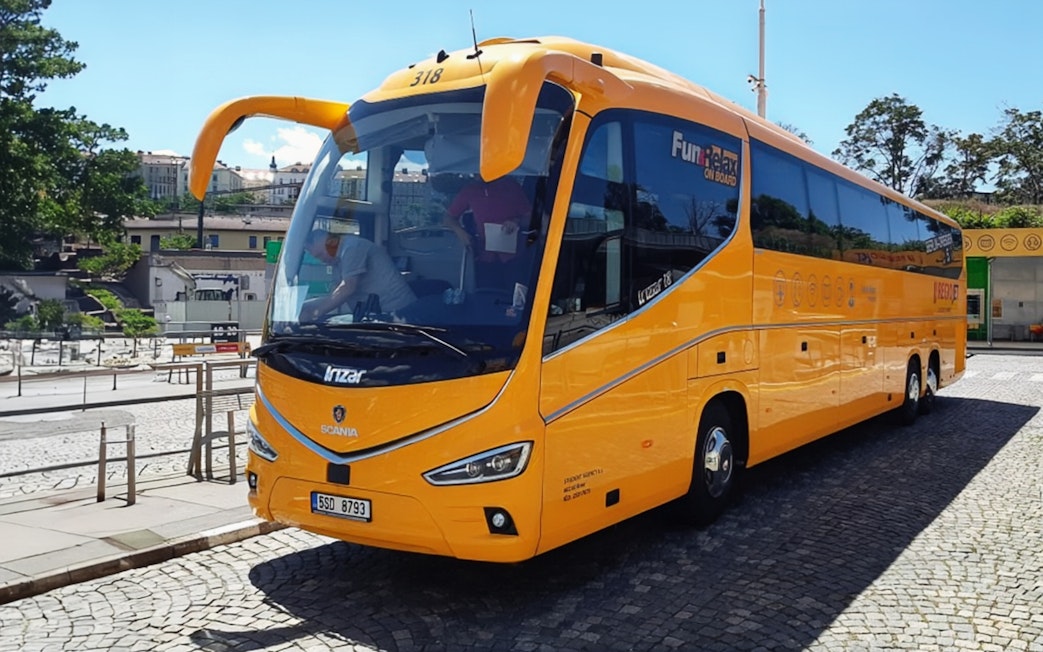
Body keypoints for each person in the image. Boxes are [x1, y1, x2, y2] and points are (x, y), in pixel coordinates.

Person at [300, 229, 416, 321]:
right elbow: (334, 296)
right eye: (317, 257)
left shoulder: (352, 248)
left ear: (332, 242)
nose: (322, 260)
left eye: (321, 254)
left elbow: (348, 288)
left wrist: (314, 314)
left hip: (401, 315)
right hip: (379, 316)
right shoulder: (336, 262)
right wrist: (303, 306)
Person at [444, 175, 532, 291]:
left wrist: (516, 222)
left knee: (516, 296)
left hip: (514, 258)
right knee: (486, 295)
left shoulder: (511, 187)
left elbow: (530, 218)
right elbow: (448, 218)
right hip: (484, 256)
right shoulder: (471, 190)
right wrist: (460, 232)